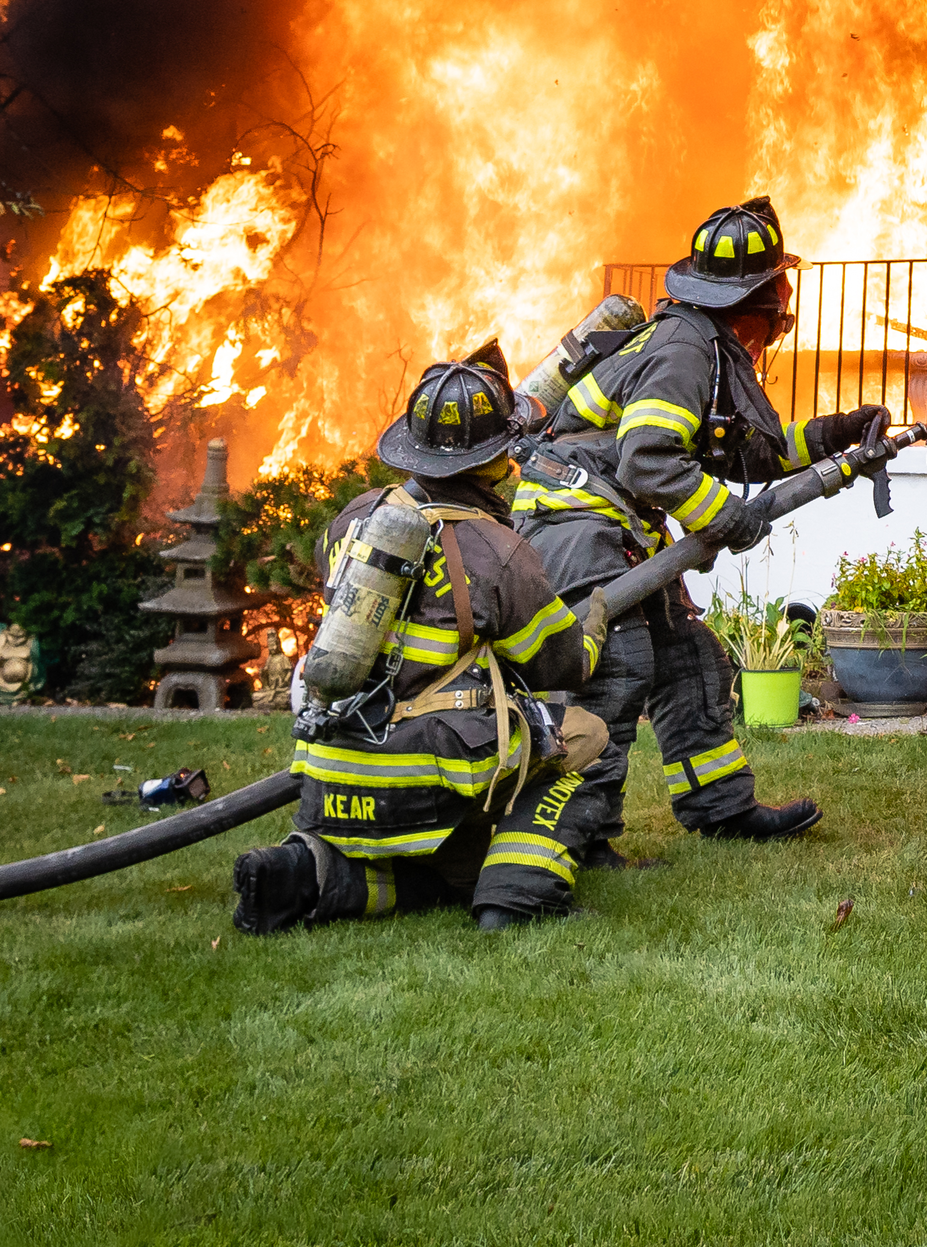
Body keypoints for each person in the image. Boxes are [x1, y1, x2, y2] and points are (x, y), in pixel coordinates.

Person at [513, 195, 886, 856]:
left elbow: (748, 451)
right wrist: (728, 519)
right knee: (617, 669)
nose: (783, 316)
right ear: (755, 303)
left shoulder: (702, 345)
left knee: (689, 658)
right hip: (578, 526)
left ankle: (720, 808)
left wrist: (838, 434)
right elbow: (649, 459)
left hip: (613, 525)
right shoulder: (686, 350)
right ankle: (577, 836)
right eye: (779, 297)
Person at [231, 349, 609, 935]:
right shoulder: (496, 551)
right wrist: (593, 626)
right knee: (584, 736)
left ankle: (304, 873)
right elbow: (558, 665)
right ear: (497, 460)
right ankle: (516, 893)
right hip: (425, 780)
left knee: (437, 876)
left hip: (330, 776)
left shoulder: (353, 518)